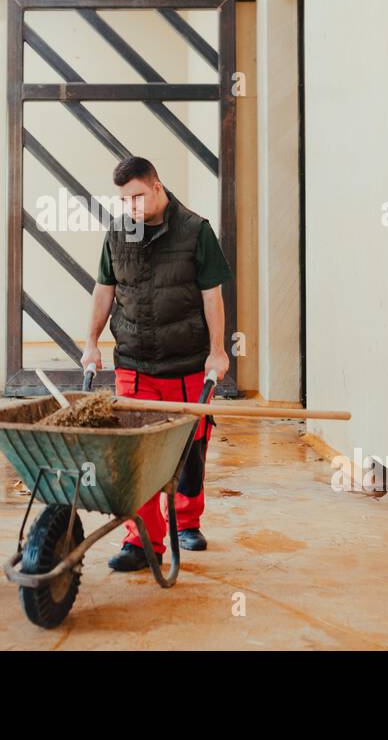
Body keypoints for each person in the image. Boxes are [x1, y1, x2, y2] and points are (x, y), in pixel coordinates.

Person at [81, 156, 233, 572]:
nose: (130, 206)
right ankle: (142, 540)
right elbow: (104, 291)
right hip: (133, 361)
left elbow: (211, 296)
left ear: (157, 187)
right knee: (137, 455)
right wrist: (91, 342)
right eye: (123, 199)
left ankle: (185, 520)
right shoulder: (118, 233)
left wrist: (217, 350)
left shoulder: (195, 231)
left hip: (185, 364)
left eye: (136, 197)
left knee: (189, 448)